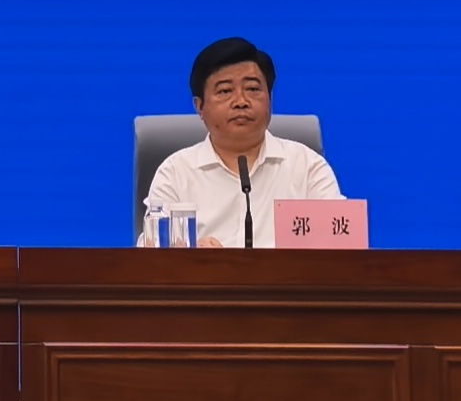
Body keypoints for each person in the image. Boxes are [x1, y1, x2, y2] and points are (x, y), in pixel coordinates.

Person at [141, 36, 342, 247]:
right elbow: (149, 252)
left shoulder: (307, 167)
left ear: (270, 98)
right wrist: (191, 254)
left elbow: (342, 245)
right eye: (225, 91)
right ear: (200, 106)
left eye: (253, 89)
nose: (241, 102)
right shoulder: (176, 173)